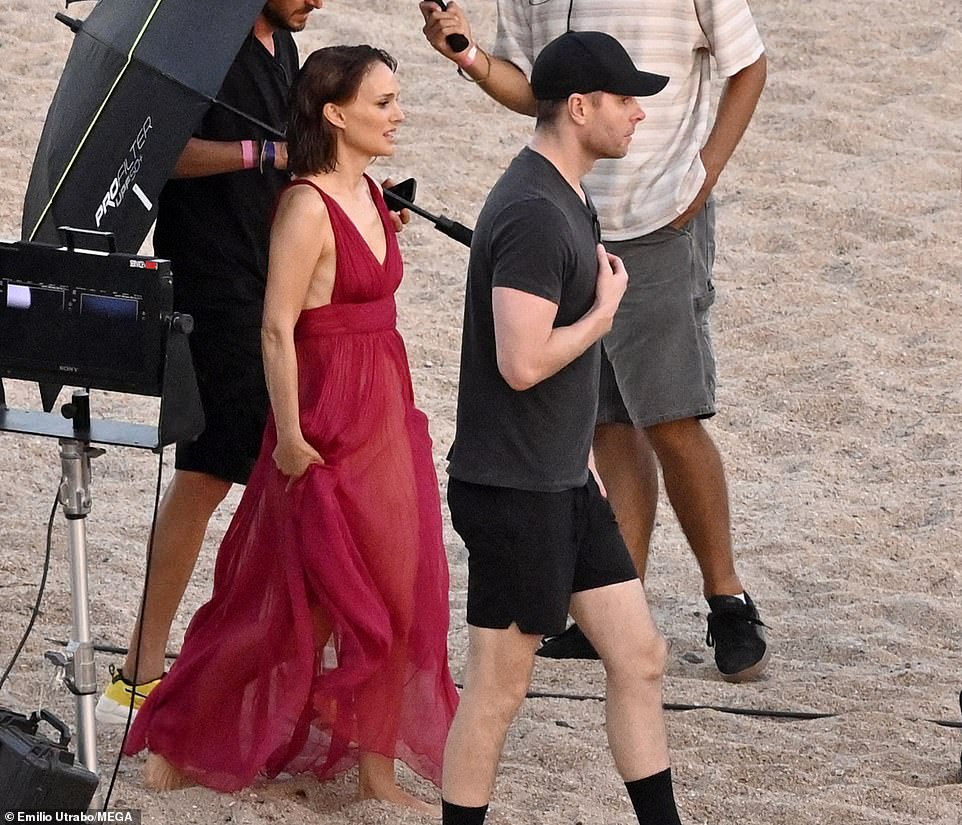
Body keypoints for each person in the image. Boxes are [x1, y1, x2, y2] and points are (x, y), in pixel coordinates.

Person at [122, 44, 459, 812]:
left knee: (397, 590)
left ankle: (377, 777)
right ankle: (175, 736)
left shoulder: (373, 195)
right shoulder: (304, 204)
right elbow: (277, 330)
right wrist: (293, 433)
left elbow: (362, 295)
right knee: (288, 600)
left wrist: (382, 228)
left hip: (385, 410)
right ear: (336, 114)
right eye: (383, 102)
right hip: (323, 416)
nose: (398, 113)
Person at [420, 0, 771, 681]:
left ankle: (727, 597)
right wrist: (468, 56)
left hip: (662, 214)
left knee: (672, 416)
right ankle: (618, 599)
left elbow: (750, 65)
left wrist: (705, 172)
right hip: (573, 217)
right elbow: (541, 93)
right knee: (608, 421)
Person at [438, 30, 685, 825]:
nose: (639, 114)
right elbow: (520, 361)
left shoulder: (567, 192)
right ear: (580, 107)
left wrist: (583, 456)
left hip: (562, 483)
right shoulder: (536, 212)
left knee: (640, 656)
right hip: (514, 491)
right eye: (624, 99)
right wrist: (606, 313)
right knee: (499, 689)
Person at [94, 1, 327, 723]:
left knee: (238, 473)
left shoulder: (280, 43)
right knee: (210, 472)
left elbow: (294, 157)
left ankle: (207, 665)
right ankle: (139, 669)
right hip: (212, 285)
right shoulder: (201, 46)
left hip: (272, 278)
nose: (318, 1)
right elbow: (155, 152)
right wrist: (260, 154)